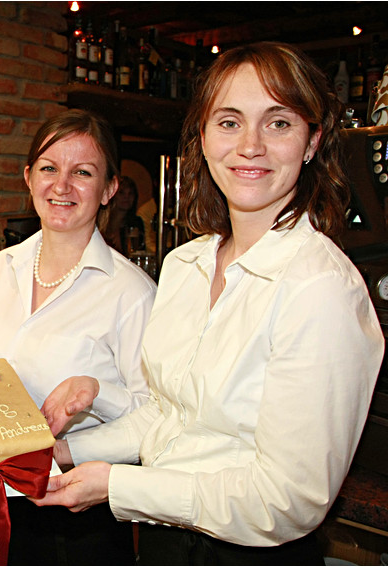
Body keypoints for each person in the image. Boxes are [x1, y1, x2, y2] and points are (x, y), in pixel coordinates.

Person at [35, 42, 384, 565]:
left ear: (312, 142)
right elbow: (166, 416)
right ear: (202, 136)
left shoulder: (321, 288)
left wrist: (118, 486)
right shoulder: (186, 265)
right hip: (164, 544)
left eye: (278, 123)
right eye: (229, 122)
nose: (250, 146)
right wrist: (65, 451)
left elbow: (287, 501)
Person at [0, 109, 156, 565]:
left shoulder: (131, 292)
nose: (62, 185)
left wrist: (71, 441)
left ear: (109, 189)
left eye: (82, 172)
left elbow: (156, 418)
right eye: (49, 168)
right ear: (29, 178)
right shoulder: (0, 269)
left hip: (78, 511)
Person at [100, 174, 146, 256]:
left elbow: (139, 252)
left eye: (130, 193)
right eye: (121, 193)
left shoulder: (136, 222)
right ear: (112, 194)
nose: (126, 197)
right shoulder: (100, 221)